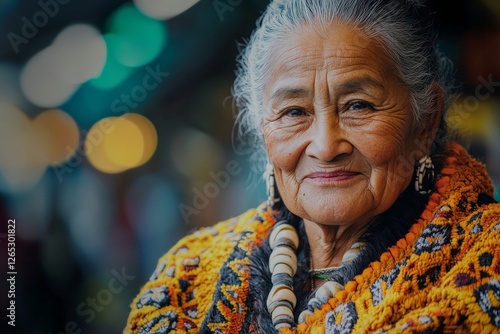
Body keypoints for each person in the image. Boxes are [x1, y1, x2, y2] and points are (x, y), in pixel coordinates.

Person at [124, 0, 500, 332]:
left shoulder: (487, 260)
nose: (324, 146)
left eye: (358, 105)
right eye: (294, 112)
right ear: (263, 132)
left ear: (425, 121)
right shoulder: (183, 279)